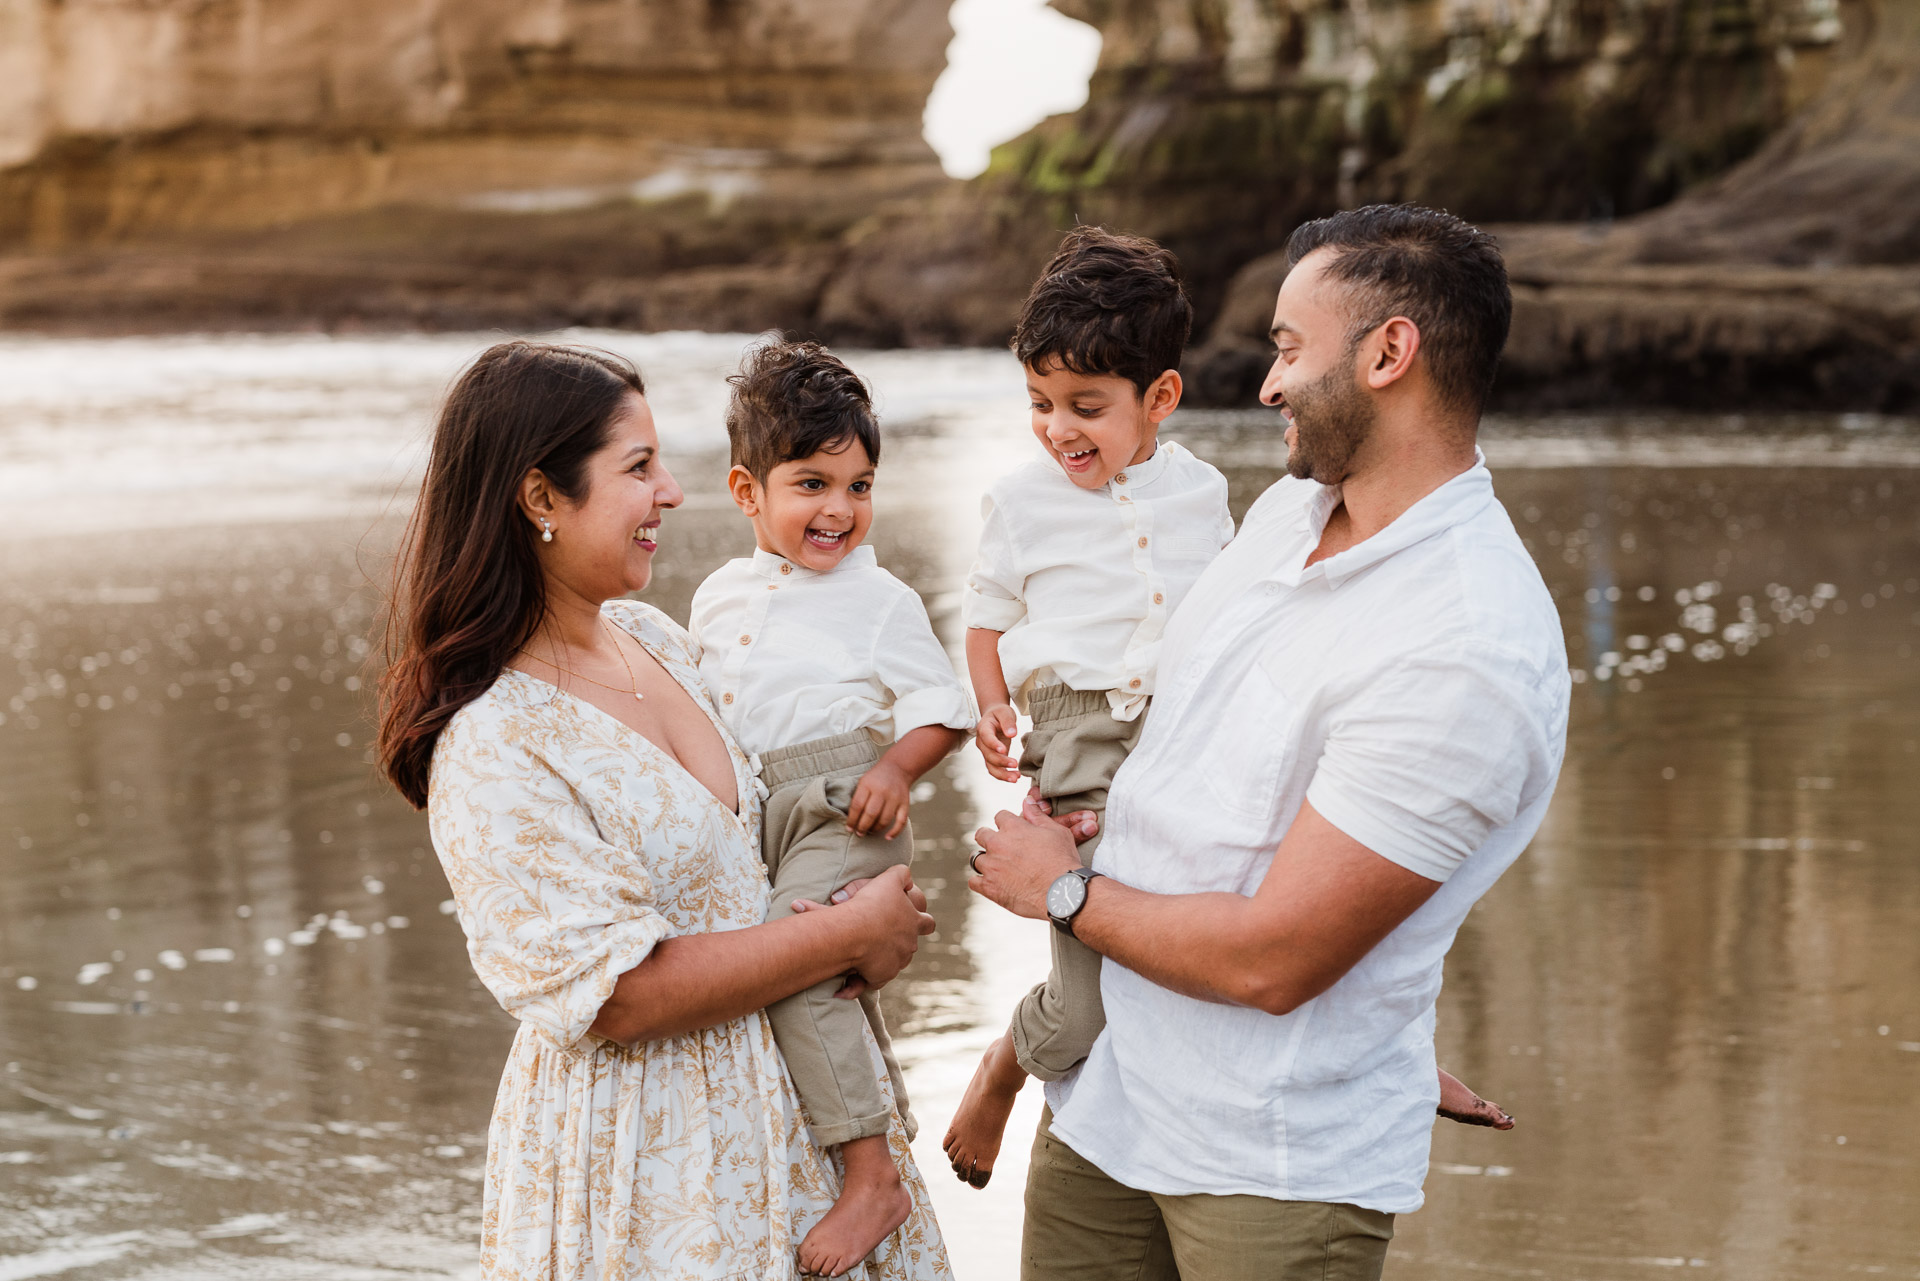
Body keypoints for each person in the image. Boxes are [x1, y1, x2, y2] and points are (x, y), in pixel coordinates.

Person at [968, 205, 1570, 1281]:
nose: (1268, 384)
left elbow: (1280, 958)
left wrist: (1061, 892)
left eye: (1291, 349)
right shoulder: (1288, 516)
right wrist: (1116, 820)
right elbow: (1203, 750)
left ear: (1390, 353)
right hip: (1107, 1106)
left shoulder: (1465, 647)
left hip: (1267, 1164)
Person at [377, 340, 954, 1280]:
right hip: (655, 1163)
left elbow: (770, 847)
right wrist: (847, 936)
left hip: (798, 1115)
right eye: (639, 468)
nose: (674, 493)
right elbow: (623, 995)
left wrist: (878, 911)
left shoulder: (656, 638)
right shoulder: (495, 741)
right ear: (540, 499)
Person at [943, 227, 1236, 1186]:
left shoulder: (1203, 492)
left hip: (1188, 734)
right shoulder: (1024, 500)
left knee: (1199, 944)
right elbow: (986, 620)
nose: (1058, 427)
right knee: (1086, 1001)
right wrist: (992, 708)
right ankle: (1006, 1065)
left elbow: (1230, 613)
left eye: (1086, 406)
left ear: (1160, 399)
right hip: (1075, 744)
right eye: (1039, 403)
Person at [689, 339, 973, 1277]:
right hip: (763, 810)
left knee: (797, 954)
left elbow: (946, 708)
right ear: (746, 492)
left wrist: (896, 767)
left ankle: (870, 1173)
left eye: (859, 485)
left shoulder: (878, 597)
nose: (839, 509)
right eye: (812, 483)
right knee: (774, 958)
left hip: (846, 805)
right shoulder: (716, 595)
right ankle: (868, 1108)